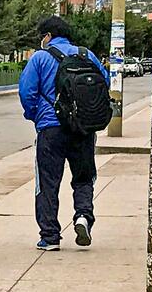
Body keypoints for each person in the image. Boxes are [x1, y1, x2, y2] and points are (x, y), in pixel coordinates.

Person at [18, 15, 109, 251]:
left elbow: (27, 92)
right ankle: (83, 216)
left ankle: (49, 236)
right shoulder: (86, 55)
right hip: (83, 128)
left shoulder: (40, 58)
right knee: (84, 176)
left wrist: (35, 115)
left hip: (50, 129)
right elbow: (104, 83)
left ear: (48, 36)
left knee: (48, 182)